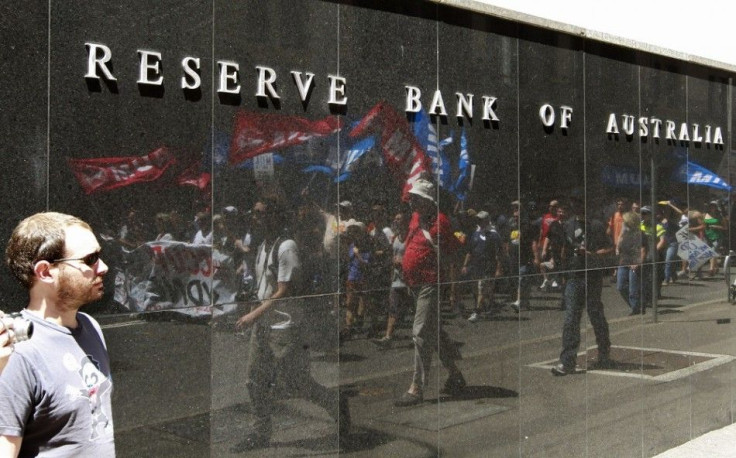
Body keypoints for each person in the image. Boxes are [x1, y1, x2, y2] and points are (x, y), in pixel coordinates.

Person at [234, 198, 349, 450]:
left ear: (274, 217)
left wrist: (254, 314)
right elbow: (265, 288)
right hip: (264, 327)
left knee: (297, 384)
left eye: (260, 214)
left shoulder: (286, 248)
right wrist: (253, 311)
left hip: (285, 329)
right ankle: (260, 432)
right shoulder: (264, 245)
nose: (255, 218)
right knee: (254, 380)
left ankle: (334, 402)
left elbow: (284, 290)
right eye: (254, 213)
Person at [0, 212, 115, 456]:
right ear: (45, 272)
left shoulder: (90, 326)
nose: (103, 267)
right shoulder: (15, 352)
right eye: (90, 259)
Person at [394, 178, 466, 407]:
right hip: (414, 284)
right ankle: (455, 375)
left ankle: (417, 388)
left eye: (416, 198)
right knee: (433, 333)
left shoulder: (441, 222)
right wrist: (403, 258)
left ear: (427, 201)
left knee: (421, 332)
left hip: (430, 284)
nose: (412, 201)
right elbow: (410, 240)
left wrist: (454, 289)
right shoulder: (416, 217)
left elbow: (452, 257)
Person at [551, 201, 614, 375]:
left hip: (592, 275)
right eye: (576, 206)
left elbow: (609, 248)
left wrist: (592, 255)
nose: (578, 209)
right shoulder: (568, 225)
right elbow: (563, 249)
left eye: (581, 205)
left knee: (595, 314)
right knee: (571, 317)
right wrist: (562, 272)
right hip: (574, 275)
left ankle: (604, 352)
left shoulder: (596, 225)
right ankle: (567, 361)